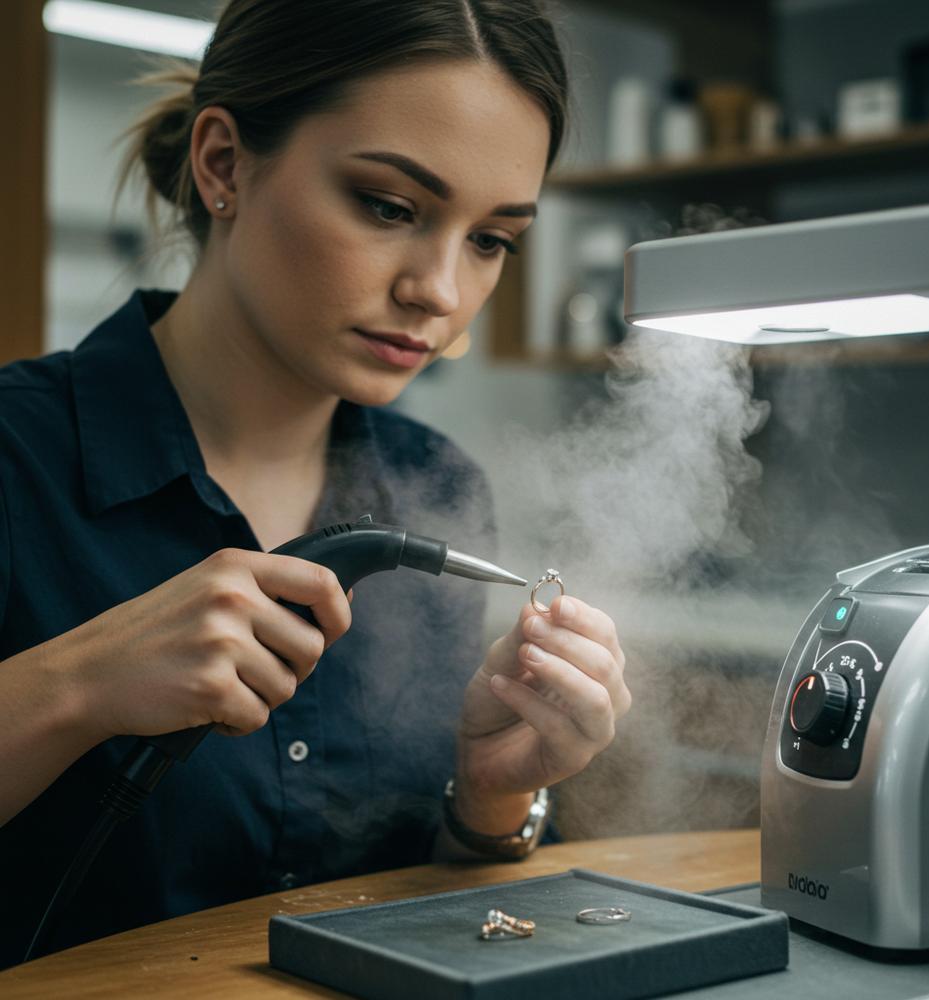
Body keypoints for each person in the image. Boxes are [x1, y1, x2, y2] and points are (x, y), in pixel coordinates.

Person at [0, 0, 630, 967]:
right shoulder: (16, 456)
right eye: (389, 206)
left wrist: (492, 799)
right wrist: (75, 685)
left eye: (491, 240)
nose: (442, 291)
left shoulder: (437, 484)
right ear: (224, 164)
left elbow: (432, 918)